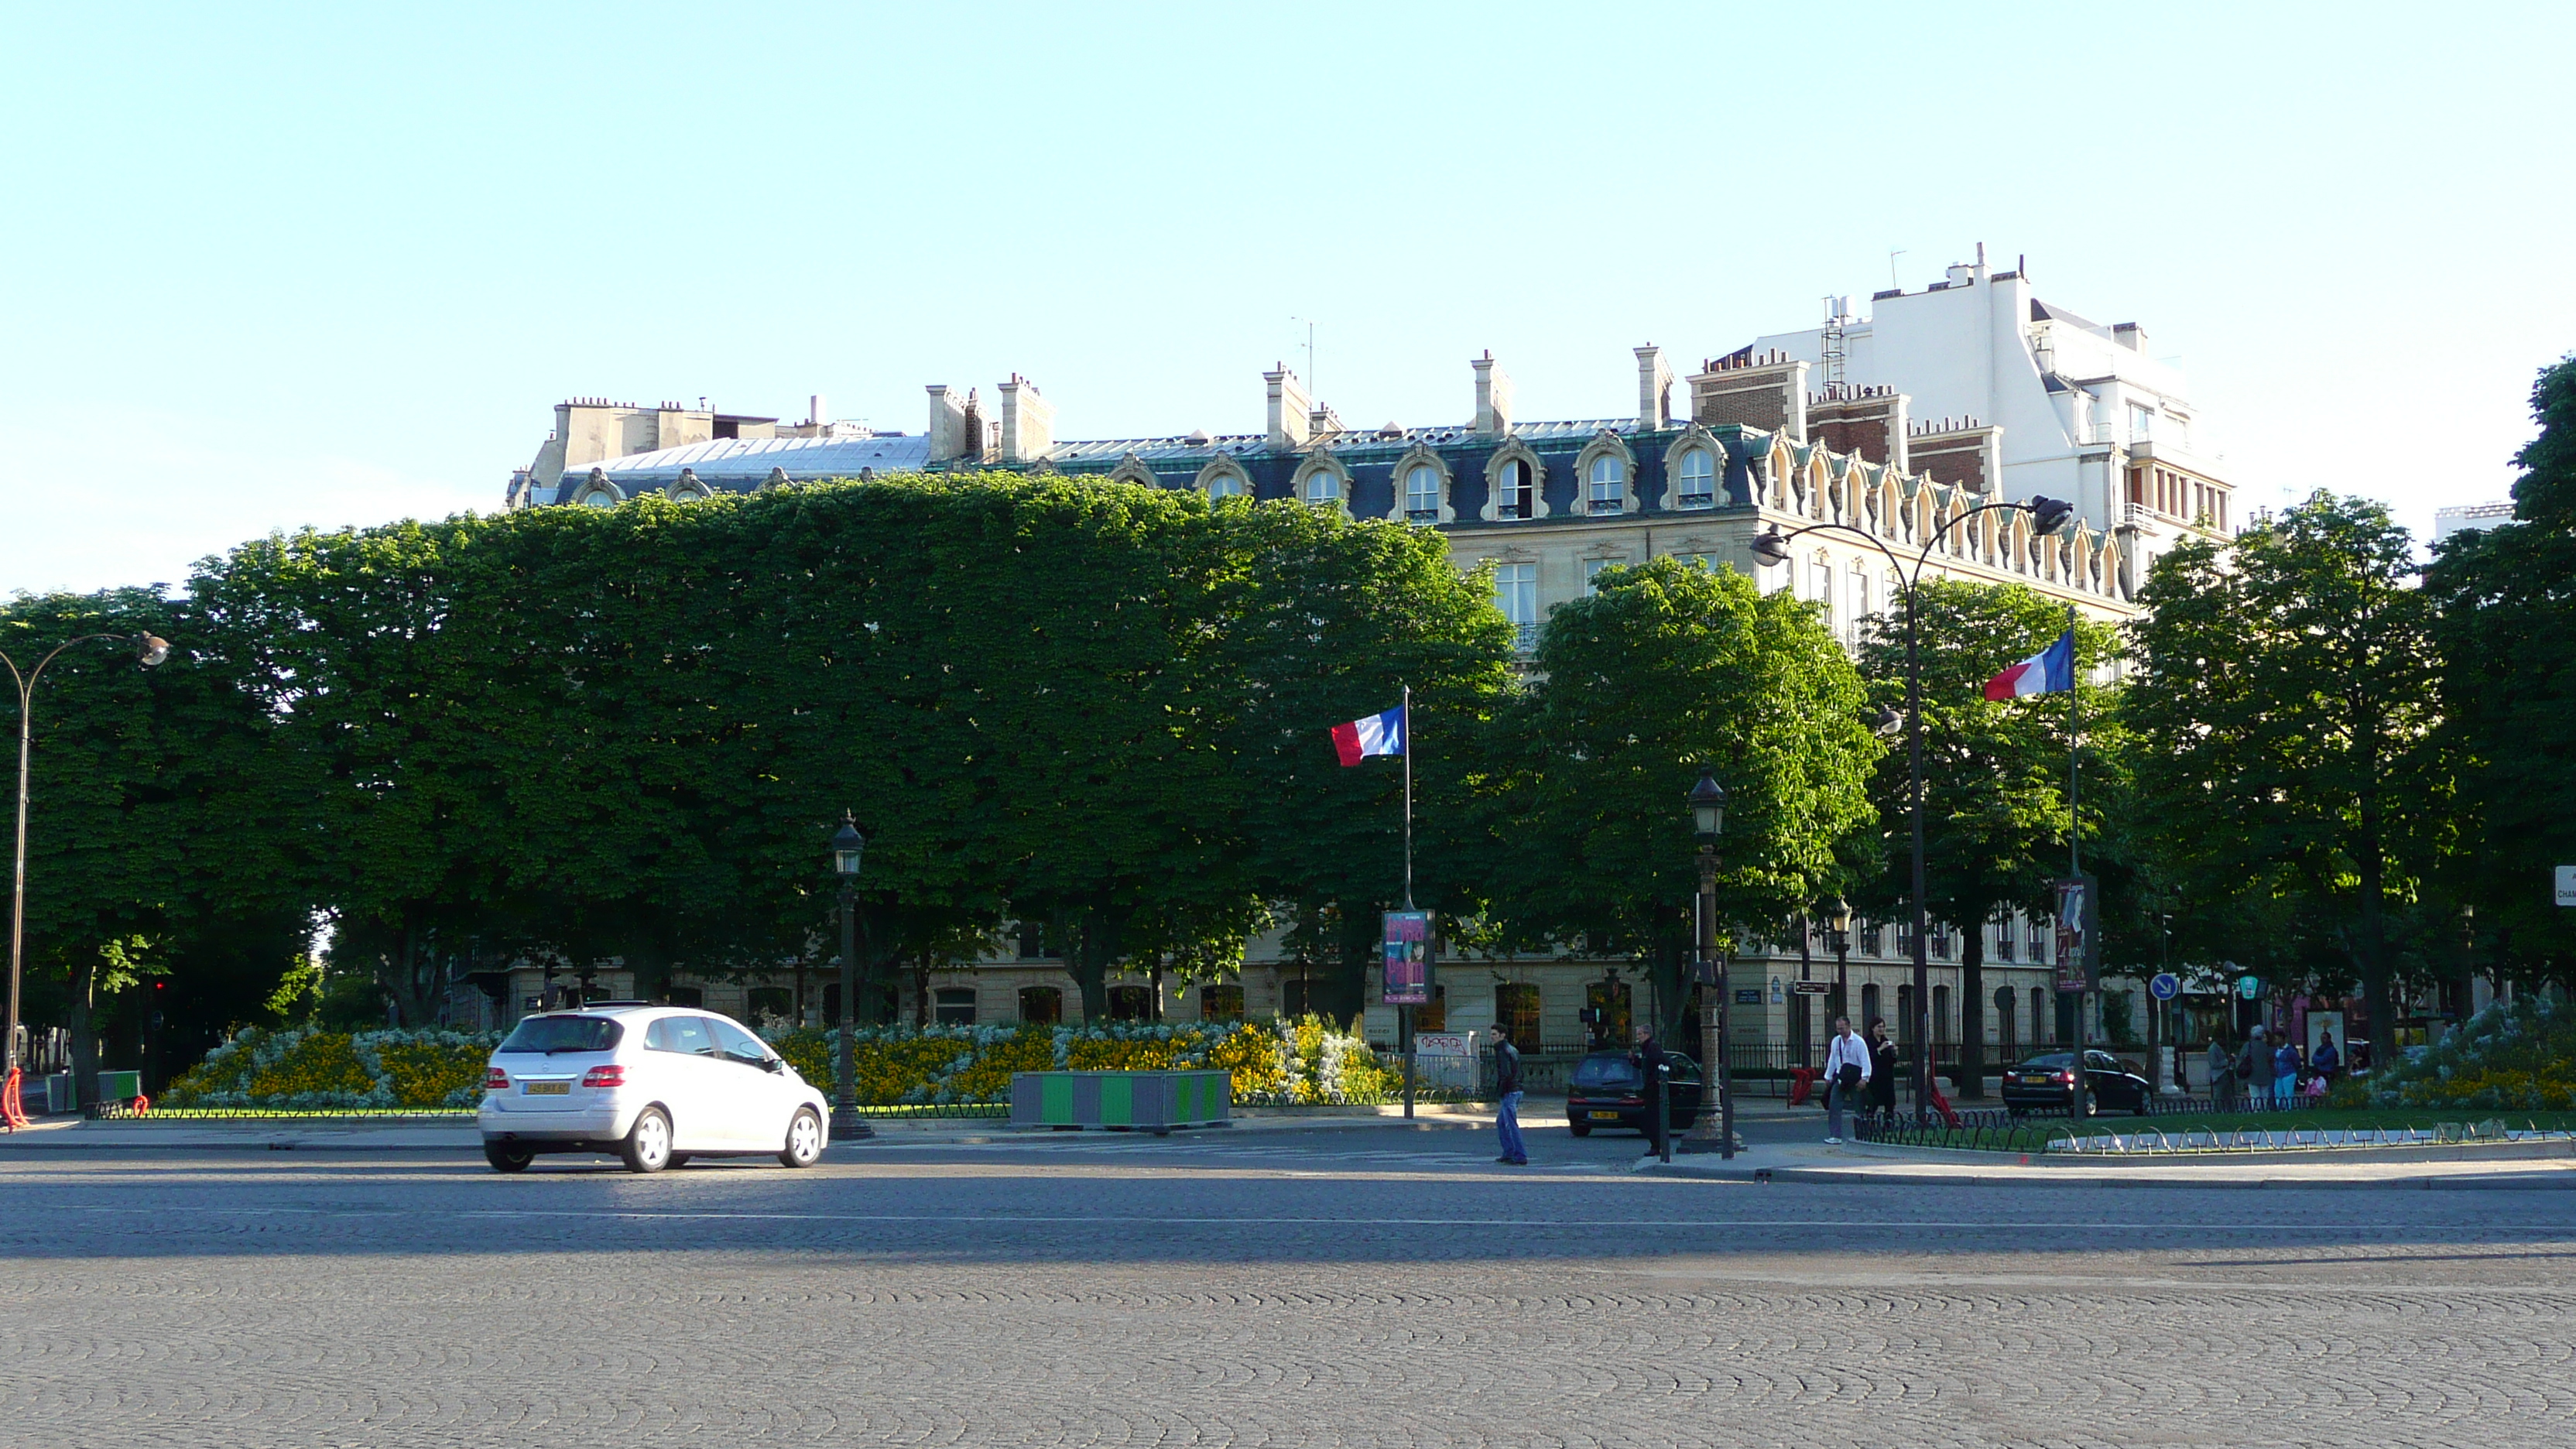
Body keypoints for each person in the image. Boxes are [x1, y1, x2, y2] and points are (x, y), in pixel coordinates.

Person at [1821, 1016, 1869, 1144]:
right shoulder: (1836, 1041)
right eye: (1838, 1029)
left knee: (1859, 1106)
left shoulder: (1859, 1042)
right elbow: (1833, 1058)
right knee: (1834, 1105)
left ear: (1849, 1026)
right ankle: (1835, 1135)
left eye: (1842, 1028)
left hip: (1854, 1078)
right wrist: (1828, 1076)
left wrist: (1864, 1078)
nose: (1840, 1031)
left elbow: (1865, 1061)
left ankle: (1864, 1134)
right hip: (1841, 1077)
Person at [1630, 1025, 1670, 1156]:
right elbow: (1645, 1065)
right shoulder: (1647, 1048)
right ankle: (1656, 1145)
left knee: (1653, 1119)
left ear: (1647, 1034)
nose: (1638, 1037)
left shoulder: (1653, 1047)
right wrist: (1634, 1060)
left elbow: (1662, 1063)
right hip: (1649, 1088)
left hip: (1654, 1089)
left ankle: (1657, 1146)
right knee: (1650, 1119)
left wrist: (1657, 1080)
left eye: (1640, 1034)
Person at [1490, 1023, 1526, 1166]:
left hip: (1510, 1091)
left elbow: (1505, 1074)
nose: (1491, 1037)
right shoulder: (1512, 1049)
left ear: (1502, 1035)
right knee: (1501, 1122)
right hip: (1516, 1089)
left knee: (1510, 1124)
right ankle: (1509, 1152)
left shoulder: (1502, 1051)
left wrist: (1500, 1090)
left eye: (1494, 1034)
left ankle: (1519, 1155)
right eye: (1491, 1034)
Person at [1866, 1018, 1899, 1115]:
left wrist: (1895, 1052)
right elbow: (1869, 1057)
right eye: (1879, 1027)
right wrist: (1880, 1049)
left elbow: (1891, 1060)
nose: (1881, 1029)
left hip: (1887, 1076)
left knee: (1889, 1103)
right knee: (1873, 1103)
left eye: (1883, 1027)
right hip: (1875, 1076)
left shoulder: (1885, 1040)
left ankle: (1888, 1125)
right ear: (1873, 1028)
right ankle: (1869, 1123)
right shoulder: (1868, 1041)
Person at [2238, 1026, 2269, 1106]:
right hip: (2265, 1074)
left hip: (2252, 1074)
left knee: (2255, 1095)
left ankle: (2256, 1110)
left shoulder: (2248, 1045)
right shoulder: (2265, 1046)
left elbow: (2241, 1057)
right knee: (2265, 1095)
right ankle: (2264, 1110)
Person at [2208, 1036, 2235, 1108]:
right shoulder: (2213, 1049)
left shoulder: (2220, 1048)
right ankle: (2217, 1110)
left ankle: (2230, 1110)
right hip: (2219, 1075)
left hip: (2224, 1074)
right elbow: (2213, 1064)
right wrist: (2227, 1061)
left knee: (2228, 1095)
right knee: (2219, 1095)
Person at [2273, 1035, 2301, 1105]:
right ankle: (2279, 1107)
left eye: (2278, 1039)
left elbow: (2297, 1062)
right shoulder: (2276, 1050)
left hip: (2289, 1074)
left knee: (2288, 1093)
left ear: (2283, 1039)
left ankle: (2288, 1108)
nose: (2276, 1041)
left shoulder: (2290, 1050)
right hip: (2278, 1075)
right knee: (2277, 1092)